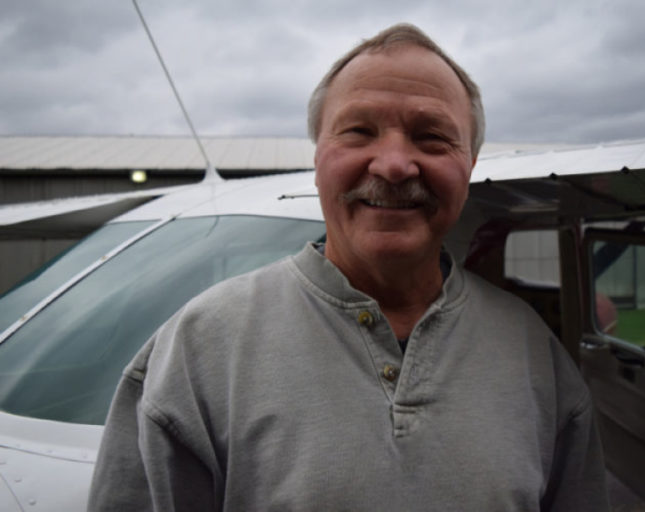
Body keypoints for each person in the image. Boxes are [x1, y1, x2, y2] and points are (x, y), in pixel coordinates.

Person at [88, 23, 609, 511]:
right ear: (317, 160)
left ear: (469, 164)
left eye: (432, 137)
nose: (394, 165)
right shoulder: (198, 348)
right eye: (359, 131)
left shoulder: (533, 351)